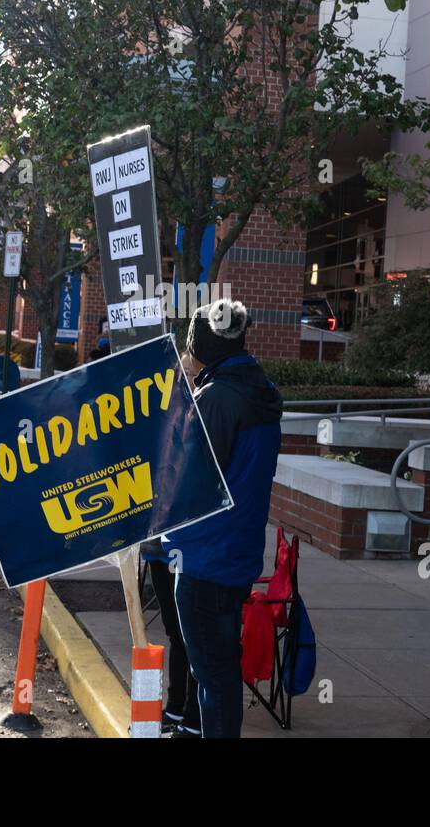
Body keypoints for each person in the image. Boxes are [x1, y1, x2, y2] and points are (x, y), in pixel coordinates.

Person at [161, 299, 283, 738]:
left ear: (205, 346)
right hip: (236, 554)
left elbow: (182, 477)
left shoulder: (216, 400)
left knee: (213, 676)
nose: (187, 356)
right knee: (219, 669)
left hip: (204, 557)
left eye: (191, 347)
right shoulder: (258, 391)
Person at [140, 539, 202, 737]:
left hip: (181, 550)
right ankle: (175, 709)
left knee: (190, 636)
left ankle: (193, 718)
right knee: (175, 633)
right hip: (154, 549)